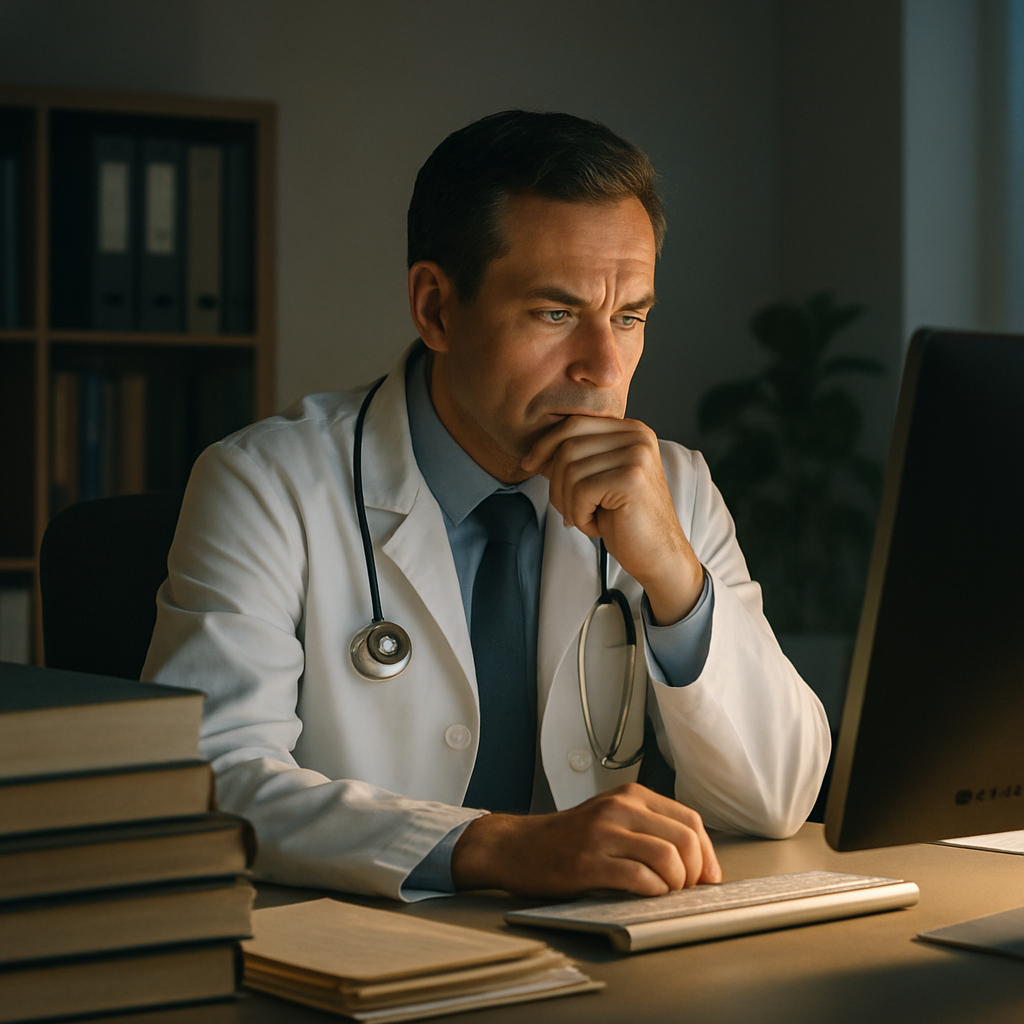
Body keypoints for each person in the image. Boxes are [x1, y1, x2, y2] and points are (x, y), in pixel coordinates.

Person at [143, 110, 830, 902]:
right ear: (435, 307)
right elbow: (212, 777)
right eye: (557, 313)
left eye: (630, 316)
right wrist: (495, 846)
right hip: (365, 968)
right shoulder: (264, 484)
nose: (604, 366)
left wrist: (676, 576)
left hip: (598, 961)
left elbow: (779, 800)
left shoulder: (671, 489)